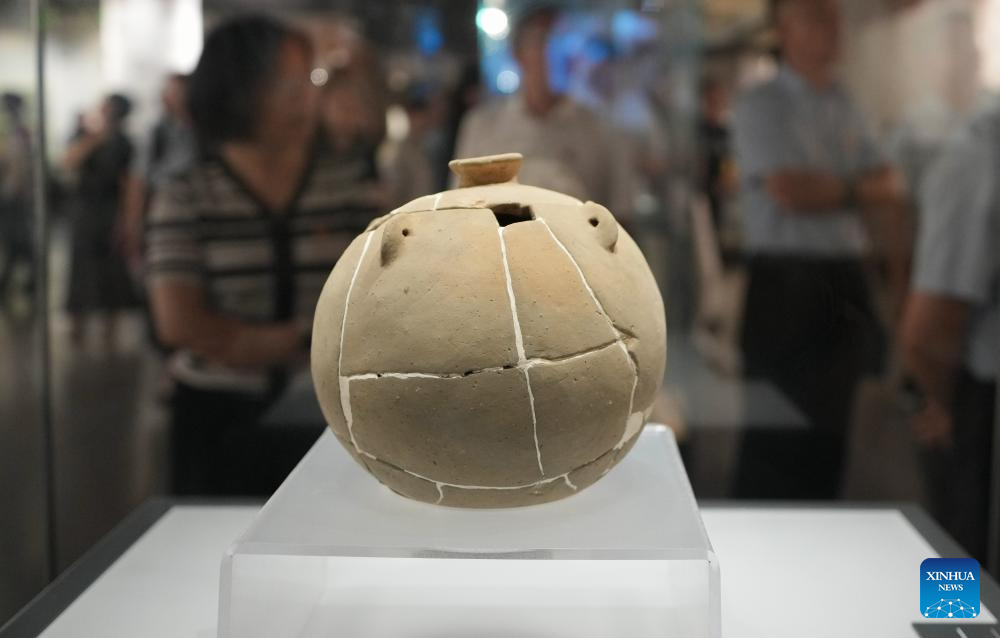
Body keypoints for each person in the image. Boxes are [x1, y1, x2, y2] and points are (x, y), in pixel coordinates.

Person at [146, 15, 381, 496]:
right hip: (217, 416)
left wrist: (250, 343)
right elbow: (179, 323)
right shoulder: (187, 195)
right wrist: (306, 339)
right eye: (283, 84)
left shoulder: (347, 187)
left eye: (307, 80)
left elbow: (383, 297)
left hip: (330, 414)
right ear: (236, 92)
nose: (304, 98)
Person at [730, 0, 903, 498]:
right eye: (818, 17)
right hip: (785, 283)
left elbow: (889, 183)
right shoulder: (760, 104)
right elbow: (788, 191)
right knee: (774, 434)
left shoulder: (847, 102)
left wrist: (834, 191)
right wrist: (855, 190)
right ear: (786, 29)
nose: (834, 28)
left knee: (831, 433)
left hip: (841, 278)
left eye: (834, 16)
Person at [900, 100, 1000, 564]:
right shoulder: (977, 156)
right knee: (959, 564)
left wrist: (940, 400)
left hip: (978, 404)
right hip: (977, 401)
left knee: (957, 559)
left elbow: (927, 328)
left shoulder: (973, 158)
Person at [453, 4, 633, 216]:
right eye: (543, 42)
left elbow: (620, 215)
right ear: (518, 53)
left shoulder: (601, 129)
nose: (555, 54)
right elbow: (459, 210)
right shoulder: (482, 126)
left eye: (563, 42)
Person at [62, 93, 137, 346]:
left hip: (109, 210)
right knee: (81, 267)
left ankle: (108, 329)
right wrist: (94, 139)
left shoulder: (124, 142)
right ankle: (77, 325)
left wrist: (126, 220)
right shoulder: (87, 136)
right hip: (85, 210)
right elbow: (68, 162)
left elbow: (128, 184)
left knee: (110, 271)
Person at [122, 73, 196, 271]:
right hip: (160, 214)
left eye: (177, 92)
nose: (168, 97)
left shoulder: (203, 133)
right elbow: (138, 181)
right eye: (168, 92)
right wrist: (133, 225)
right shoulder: (156, 134)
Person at [0, 92, 34, 306]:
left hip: (17, 198)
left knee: (19, 244)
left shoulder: (21, 133)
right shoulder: (12, 133)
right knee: (16, 244)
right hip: (10, 198)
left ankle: (18, 286)